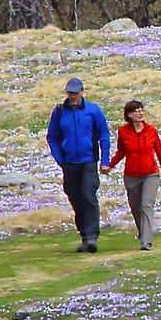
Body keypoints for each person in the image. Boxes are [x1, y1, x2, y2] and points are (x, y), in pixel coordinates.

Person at [46, 77, 111, 252]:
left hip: (88, 161)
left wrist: (105, 160)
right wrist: (60, 159)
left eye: (75, 92)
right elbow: (52, 137)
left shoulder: (93, 110)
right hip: (69, 163)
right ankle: (84, 236)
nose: (73, 96)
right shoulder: (59, 112)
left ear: (82, 91)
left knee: (88, 195)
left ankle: (91, 237)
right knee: (75, 198)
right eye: (70, 92)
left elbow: (104, 136)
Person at [104, 99, 161, 249]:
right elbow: (121, 151)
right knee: (136, 207)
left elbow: (159, 149)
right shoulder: (123, 132)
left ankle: (146, 241)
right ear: (129, 115)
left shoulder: (151, 130)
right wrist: (110, 165)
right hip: (131, 176)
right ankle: (143, 232)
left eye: (141, 110)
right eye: (135, 111)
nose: (139, 113)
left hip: (151, 174)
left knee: (147, 205)